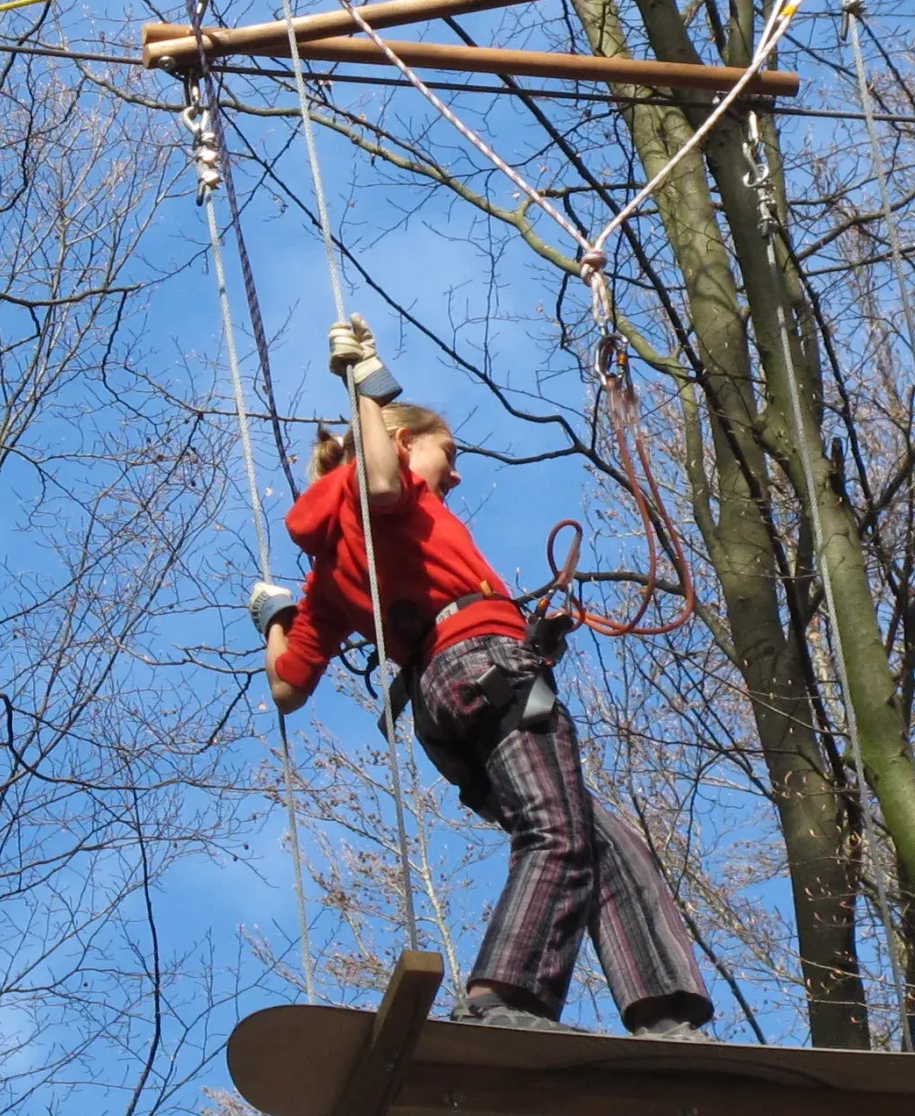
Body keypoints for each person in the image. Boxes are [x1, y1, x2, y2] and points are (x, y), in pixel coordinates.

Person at [249, 316, 716, 1041]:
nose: (455, 473)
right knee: (556, 832)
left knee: (601, 838)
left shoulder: (327, 584)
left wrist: (277, 618)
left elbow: (287, 686)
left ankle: (664, 1009)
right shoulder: (387, 488)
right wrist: (367, 378)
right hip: (483, 670)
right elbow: (376, 479)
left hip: (455, 696)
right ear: (405, 443)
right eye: (448, 453)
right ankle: (507, 998)